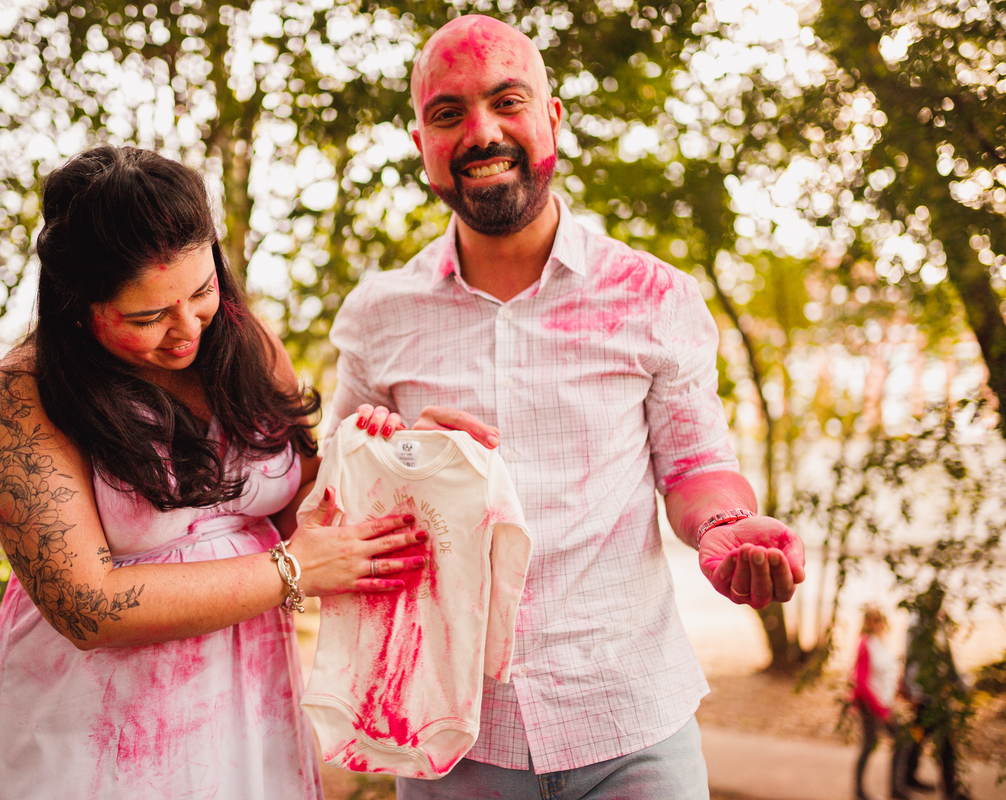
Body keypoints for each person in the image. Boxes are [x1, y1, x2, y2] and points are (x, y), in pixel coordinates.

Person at [326, 15, 807, 798]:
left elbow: (694, 468)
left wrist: (724, 527)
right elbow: (334, 499)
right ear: (422, 145)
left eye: (506, 101)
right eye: (448, 113)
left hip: (631, 727)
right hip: (453, 741)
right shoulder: (380, 315)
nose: (481, 132)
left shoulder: (655, 298)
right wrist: (403, 456)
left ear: (552, 119)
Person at [0, 145, 435, 800]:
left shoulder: (247, 347)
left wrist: (397, 452)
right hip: (98, 727)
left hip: (248, 708)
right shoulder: (29, 390)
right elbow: (86, 606)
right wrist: (291, 571)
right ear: (79, 306)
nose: (186, 328)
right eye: (147, 316)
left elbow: (303, 501)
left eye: (199, 292)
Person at [893, 584, 971, 800]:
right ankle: (912, 779)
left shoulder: (938, 624)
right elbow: (911, 660)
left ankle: (948, 787)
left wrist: (959, 683)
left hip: (938, 695)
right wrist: (913, 691)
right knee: (920, 739)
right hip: (925, 697)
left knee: (943, 741)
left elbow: (947, 658)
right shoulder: (918, 626)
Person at [850, 606, 904, 800]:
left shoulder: (882, 643)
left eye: (879, 620)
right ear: (866, 622)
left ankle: (896, 787)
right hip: (871, 705)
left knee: (901, 741)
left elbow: (887, 674)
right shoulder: (865, 644)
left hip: (885, 702)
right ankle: (859, 791)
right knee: (868, 746)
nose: (877, 624)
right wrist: (881, 711)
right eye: (872, 620)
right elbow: (862, 682)